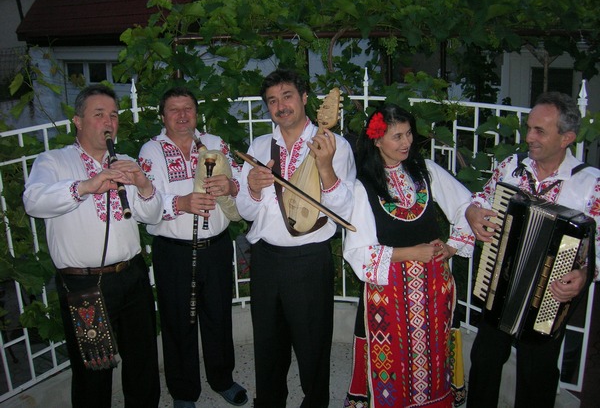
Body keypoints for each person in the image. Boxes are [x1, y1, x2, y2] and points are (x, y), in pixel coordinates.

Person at [22, 84, 162, 408]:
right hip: (84, 285)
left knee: (142, 363)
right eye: (99, 114)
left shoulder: (125, 161)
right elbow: (33, 201)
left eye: (113, 115)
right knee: (93, 373)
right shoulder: (53, 161)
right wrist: (86, 186)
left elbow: (152, 215)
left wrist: (143, 184)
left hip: (132, 276)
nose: (109, 122)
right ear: (78, 121)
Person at [465, 91, 600, 408]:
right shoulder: (511, 167)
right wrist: (473, 212)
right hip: (501, 281)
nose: (528, 137)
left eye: (540, 131)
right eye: (529, 128)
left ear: (566, 138)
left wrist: (585, 274)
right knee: (484, 359)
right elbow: (482, 198)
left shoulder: (590, 184)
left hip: (550, 295)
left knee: (536, 374)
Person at [236, 68, 356, 407]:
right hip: (266, 259)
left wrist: (326, 167)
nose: (281, 106)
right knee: (268, 346)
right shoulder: (260, 146)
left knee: (312, 345)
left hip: (309, 259)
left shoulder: (334, 145)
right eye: (272, 101)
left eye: (287, 96)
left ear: (304, 98)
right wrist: (252, 188)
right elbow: (245, 210)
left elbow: (345, 208)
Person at [342, 105, 475, 407]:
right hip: (389, 295)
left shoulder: (426, 172)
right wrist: (412, 253)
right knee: (393, 364)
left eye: (409, 134)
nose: (407, 142)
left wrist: (453, 246)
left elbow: (467, 205)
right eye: (397, 136)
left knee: (435, 355)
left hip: (434, 290)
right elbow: (358, 251)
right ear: (377, 140)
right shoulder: (364, 186)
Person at [137, 87, 247, 408]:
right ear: (163, 116)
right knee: (178, 322)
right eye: (174, 110)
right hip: (174, 252)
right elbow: (147, 204)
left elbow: (241, 179)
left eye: (188, 108)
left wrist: (231, 185)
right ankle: (184, 393)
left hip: (216, 247)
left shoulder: (215, 144)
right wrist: (181, 203)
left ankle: (222, 379)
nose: (182, 115)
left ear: (196, 113)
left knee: (219, 316)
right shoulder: (151, 151)